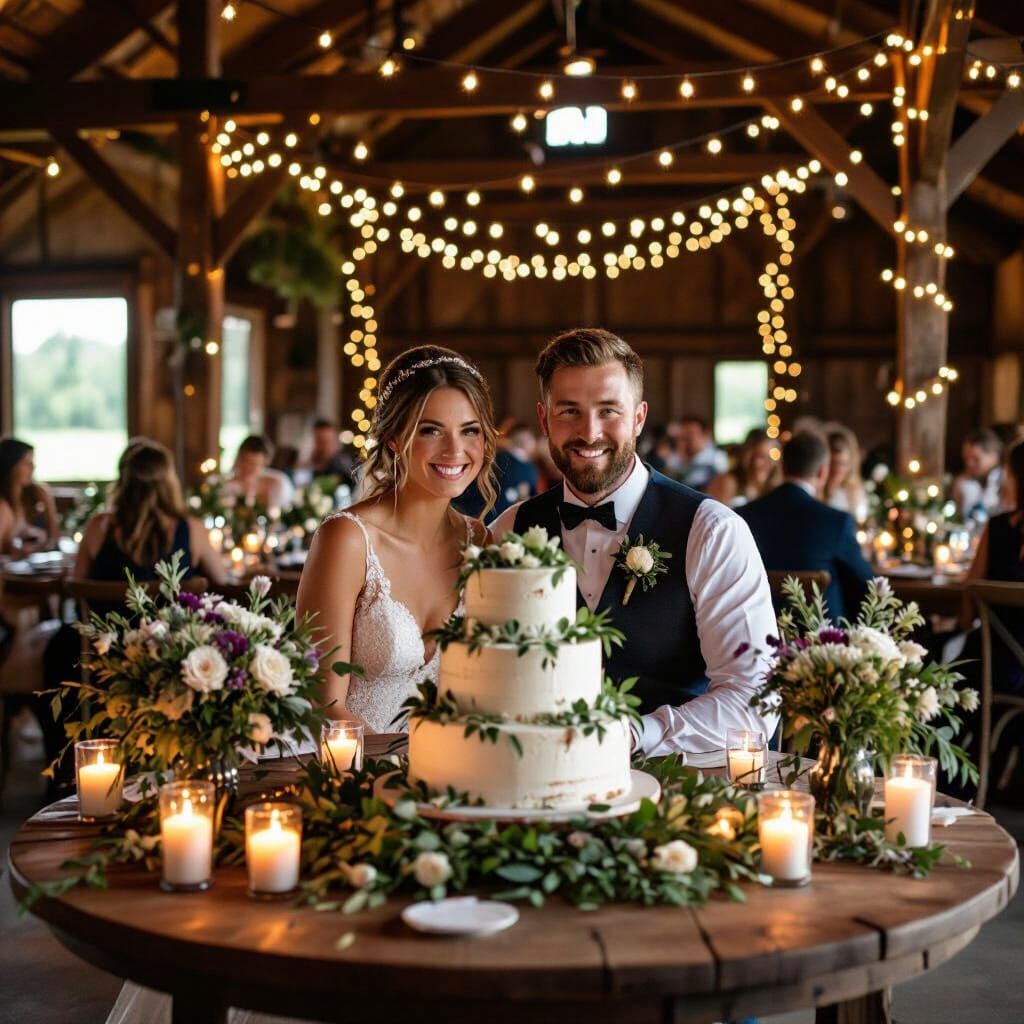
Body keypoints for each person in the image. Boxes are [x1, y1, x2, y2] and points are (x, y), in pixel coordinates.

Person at [490, 328, 777, 757]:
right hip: (534, 779)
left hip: (677, 789)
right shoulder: (510, 529)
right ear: (544, 419)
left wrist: (638, 734)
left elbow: (756, 701)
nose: (589, 432)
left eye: (609, 411)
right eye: (569, 411)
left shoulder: (711, 530)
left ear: (639, 418)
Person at [297, 346, 496, 734]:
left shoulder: (482, 542)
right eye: (430, 430)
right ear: (392, 438)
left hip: (456, 777)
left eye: (469, 430)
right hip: (352, 774)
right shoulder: (348, 540)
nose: (455, 450)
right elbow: (323, 704)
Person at [738, 430, 874, 620]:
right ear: (822, 471)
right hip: (822, 640)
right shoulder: (836, 521)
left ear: (782, 466)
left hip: (757, 630)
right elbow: (867, 584)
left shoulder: (743, 515)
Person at [0, 437, 59, 555]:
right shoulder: (3, 507)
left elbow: (54, 540)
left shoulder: (27, 499)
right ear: (11, 466)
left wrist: (48, 502)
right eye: (26, 463)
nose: (33, 467)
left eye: (33, 462)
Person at [707, 428, 780, 508]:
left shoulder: (777, 488)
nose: (759, 463)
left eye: (771, 457)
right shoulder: (727, 482)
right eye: (759, 456)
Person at [223, 434, 295, 509]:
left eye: (253, 464)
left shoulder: (278, 484)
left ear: (265, 463)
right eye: (243, 460)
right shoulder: (225, 485)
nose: (246, 467)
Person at [952, 428, 1004, 520]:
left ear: (994, 456)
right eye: (966, 458)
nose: (969, 464)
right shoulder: (964, 481)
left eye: (976, 459)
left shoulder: (1004, 483)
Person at [823, 425, 868, 522]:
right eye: (834, 464)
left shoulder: (855, 492)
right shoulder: (816, 491)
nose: (838, 470)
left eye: (843, 464)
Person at [673, 416, 728, 491]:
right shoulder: (677, 458)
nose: (686, 438)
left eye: (690, 433)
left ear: (705, 435)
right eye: (682, 434)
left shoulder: (716, 459)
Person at [304, 417, 357, 487]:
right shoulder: (303, 470)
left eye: (329, 442)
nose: (325, 448)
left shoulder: (345, 470)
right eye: (321, 442)